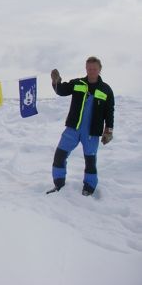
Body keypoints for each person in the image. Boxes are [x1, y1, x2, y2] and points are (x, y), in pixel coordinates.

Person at [47, 56, 115, 196]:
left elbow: (109, 111)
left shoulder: (106, 89)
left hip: (91, 132)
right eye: (89, 68)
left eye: (94, 69)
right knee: (59, 156)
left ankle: (88, 188)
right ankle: (58, 184)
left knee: (90, 162)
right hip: (73, 128)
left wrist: (108, 129)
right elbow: (61, 90)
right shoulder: (78, 83)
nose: (91, 71)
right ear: (86, 69)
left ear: (99, 69)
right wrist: (56, 81)